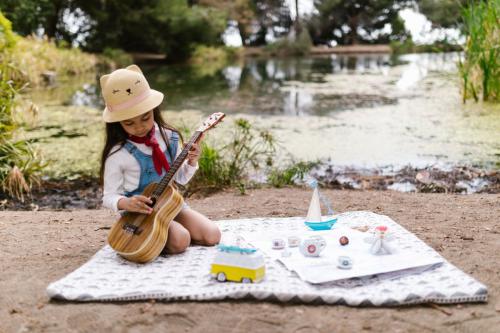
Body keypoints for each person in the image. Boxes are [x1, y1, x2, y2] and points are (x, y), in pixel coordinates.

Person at [99, 64, 221, 254]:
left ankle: (164, 231)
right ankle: (145, 234)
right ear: (117, 123)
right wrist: (125, 203)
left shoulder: (169, 137)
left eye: (145, 118)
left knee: (212, 235)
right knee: (181, 240)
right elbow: (108, 196)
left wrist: (191, 161)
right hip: (140, 213)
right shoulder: (119, 153)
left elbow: (180, 179)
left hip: (171, 205)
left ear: (153, 110)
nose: (139, 127)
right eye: (129, 123)